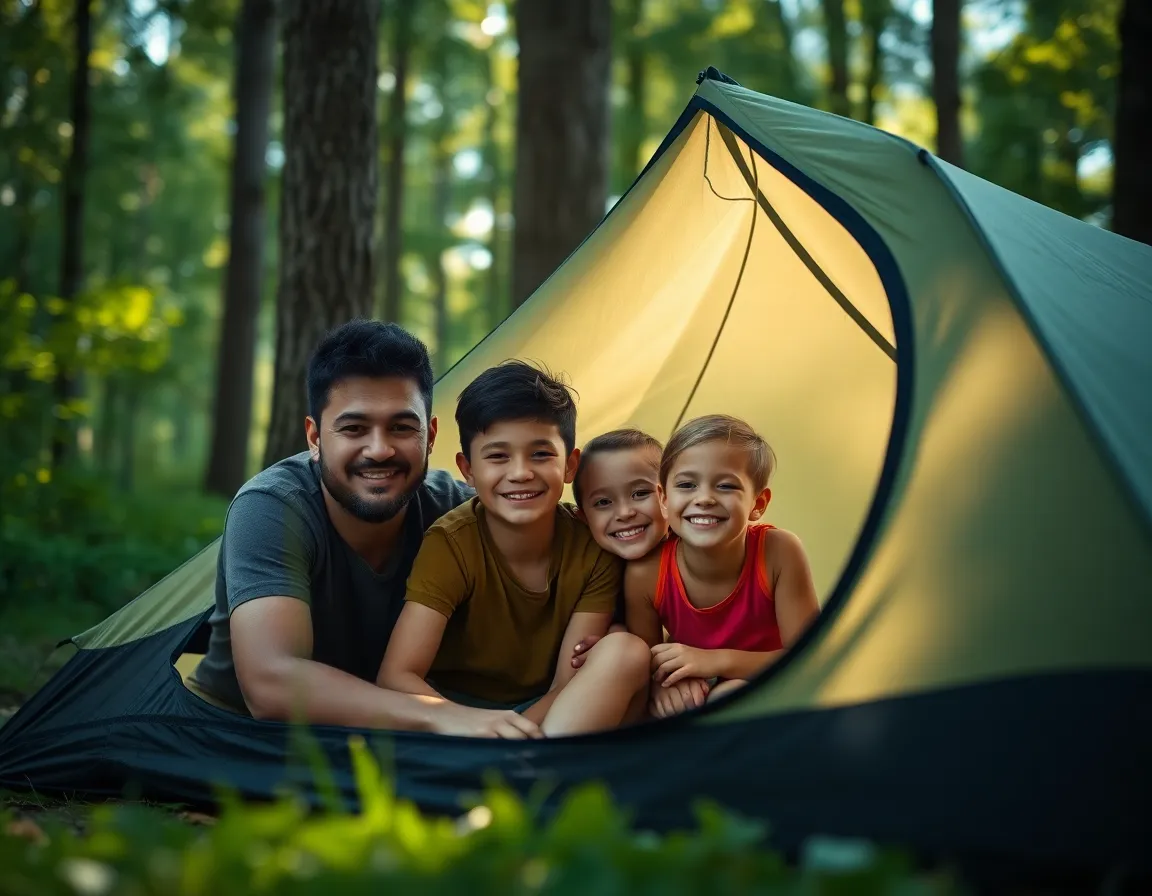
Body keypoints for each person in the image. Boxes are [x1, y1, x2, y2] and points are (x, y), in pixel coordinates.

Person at [189, 321, 541, 737]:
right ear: (315, 437)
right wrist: (439, 714)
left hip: (392, 742)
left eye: (401, 427)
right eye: (354, 428)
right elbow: (271, 686)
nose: (379, 449)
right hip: (240, 737)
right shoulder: (273, 507)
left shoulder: (458, 510)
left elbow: (577, 553)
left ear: (429, 436)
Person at [377, 362, 652, 738]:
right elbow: (396, 676)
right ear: (467, 470)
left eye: (541, 454)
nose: (521, 472)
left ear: (571, 465)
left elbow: (565, 685)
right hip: (453, 715)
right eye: (498, 456)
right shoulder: (452, 543)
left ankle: (533, 768)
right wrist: (471, 724)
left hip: (550, 714)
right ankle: (526, 768)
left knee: (627, 651)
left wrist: (518, 731)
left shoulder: (592, 548)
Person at [624, 414, 821, 719]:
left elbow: (812, 659)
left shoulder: (780, 552)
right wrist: (663, 686)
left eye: (726, 486)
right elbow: (648, 662)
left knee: (731, 695)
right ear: (663, 498)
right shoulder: (645, 575)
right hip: (696, 685)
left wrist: (715, 661)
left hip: (773, 685)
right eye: (687, 485)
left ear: (758, 503)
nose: (704, 499)